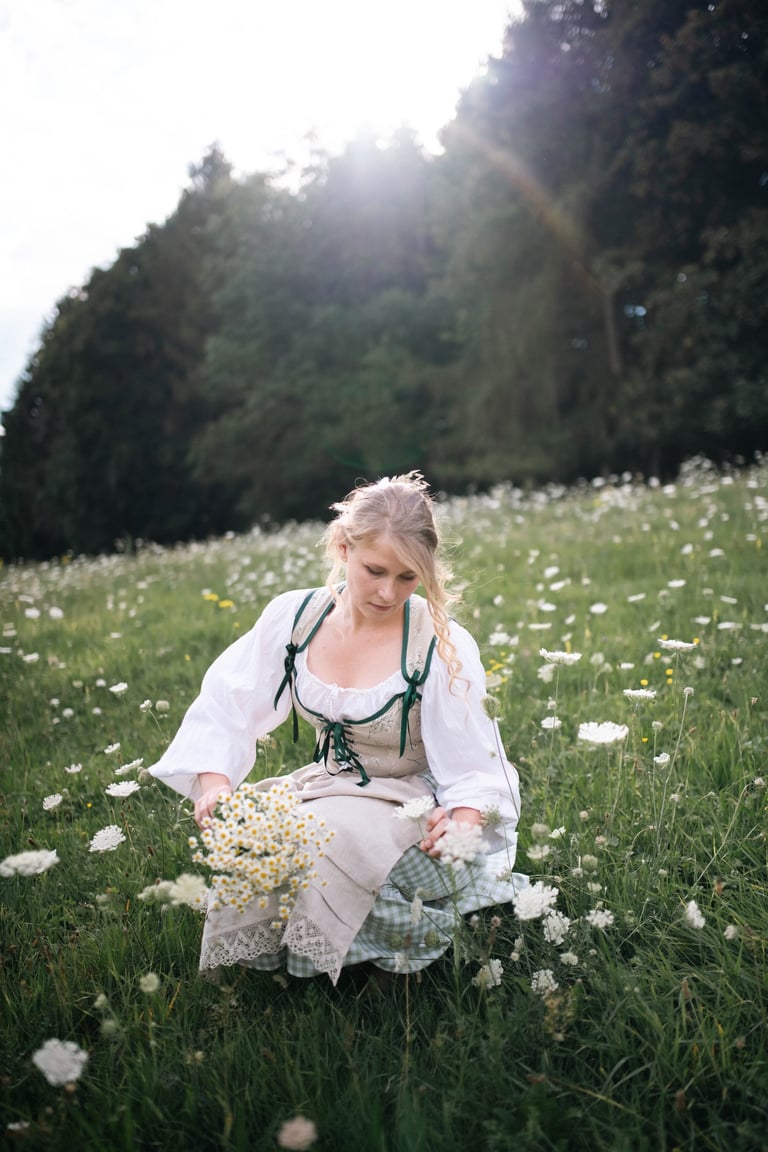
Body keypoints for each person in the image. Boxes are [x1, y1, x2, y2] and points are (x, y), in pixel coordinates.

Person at [149, 472, 524, 983]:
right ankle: (292, 962)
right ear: (344, 548)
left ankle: (397, 963)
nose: (388, 592)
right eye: (375, 570)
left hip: (410, 799)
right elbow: (228, 702)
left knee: (322, 836)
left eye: (408, 577)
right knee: (260, 828)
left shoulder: (438, 642)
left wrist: (464, 819)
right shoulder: (296, 618)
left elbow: (475, 759)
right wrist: (215, 784)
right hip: (329, 786)